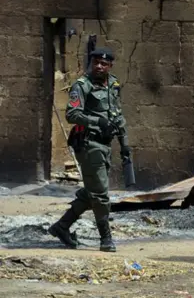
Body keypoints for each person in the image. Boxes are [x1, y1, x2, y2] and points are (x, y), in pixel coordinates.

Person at [48, 47, 130, 253]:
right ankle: (106, 239)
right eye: (96, 63)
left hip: (105, 143)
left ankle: (61, 227)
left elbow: (117, 115)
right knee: (101, 194)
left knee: (92, 191)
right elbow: (72, 114)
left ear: (110, 66)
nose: (99, 66)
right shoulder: (82, 86)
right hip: (88, 143)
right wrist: (97, 121)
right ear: (91, 63)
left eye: (104, 63)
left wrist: (125, 145)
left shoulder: (113, 84)